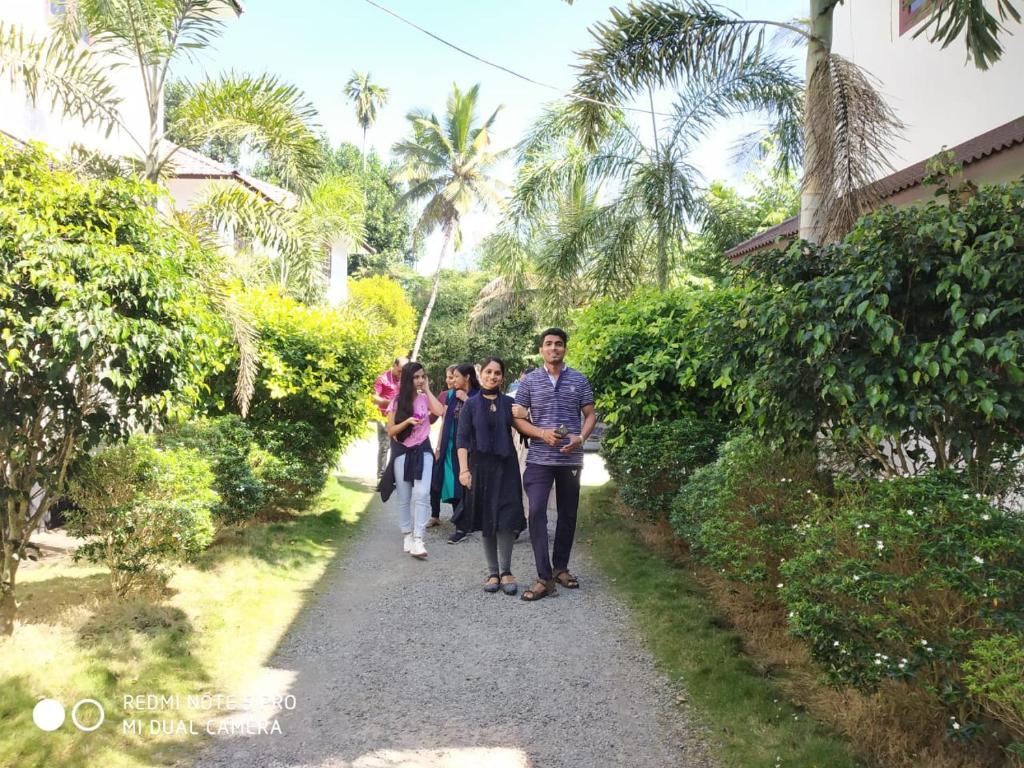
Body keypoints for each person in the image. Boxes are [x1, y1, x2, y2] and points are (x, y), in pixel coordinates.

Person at [512, 328, 596, 601]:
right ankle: (544, 577)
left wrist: (580, 438)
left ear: (565, 349)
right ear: (541, 350)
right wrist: (541, 433)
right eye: (548, 344)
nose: (553, 348)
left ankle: (561, 567)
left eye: (559, 344)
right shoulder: (529, 381)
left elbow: (590, 414)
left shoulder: (579, 379)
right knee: (536, 511)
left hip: (570, 457)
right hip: (539, 458)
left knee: (568, 513)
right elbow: (518, 418)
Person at [457, 357, 526, 595]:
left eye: (497, 373)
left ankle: (506, 571)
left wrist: (525, 413)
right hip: (480, 468)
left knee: (507, 518)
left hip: (507, 468)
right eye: (488, 372)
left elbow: (526, 428)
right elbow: (462, 440)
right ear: (481, 374)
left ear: (502, 377)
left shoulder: (509, 403)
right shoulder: (471, 405)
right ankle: (493, 572)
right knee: (487, 518)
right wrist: (463, 470)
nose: (492, 376)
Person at [378, 362, 445, 559]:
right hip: (402, 452)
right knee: (404, 496)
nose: (420, 380)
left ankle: (418, 538)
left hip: (423, 450)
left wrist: (428, 390)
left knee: (422, 494)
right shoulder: (397, 401)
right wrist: (407, 422)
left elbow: (440, 411)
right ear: (408, 379)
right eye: (416, 377)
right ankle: (407, 534)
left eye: (423, 376)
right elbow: (391, 431)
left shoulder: (424, 398)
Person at [430, 364, 480, 542]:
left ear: (467, 377)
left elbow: (480, 418)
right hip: (449, 446)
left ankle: (465, 525)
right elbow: (444, 421)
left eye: (456, 376)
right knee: (450, 484)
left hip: (468, 447)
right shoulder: (450, 395)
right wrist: (438, 446)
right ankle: (459, 523)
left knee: (466, 484)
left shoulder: (477, 395)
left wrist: (466, 399)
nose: (453, 380)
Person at [428, 365, 459, 527]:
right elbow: (433, 419)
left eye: (451, 377)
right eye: (447, 377)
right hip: (444, 444)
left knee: (455, 482)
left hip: (459, 447)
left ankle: (458, 518)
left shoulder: (467, 396)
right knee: (435, 479)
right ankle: (435, 515)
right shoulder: (443, 395)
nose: (448, 380)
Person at [372, 356, 408, 483]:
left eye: (404, 372)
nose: (401, 374)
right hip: (384, 416)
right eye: (400, 371)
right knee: (384, 446)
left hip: (401, 417)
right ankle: (381, 477)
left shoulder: (405, 379)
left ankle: (394, 477)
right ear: (394, 366)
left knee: (400, 447)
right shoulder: (383, 378)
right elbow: (374, 398)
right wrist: (391, 403)